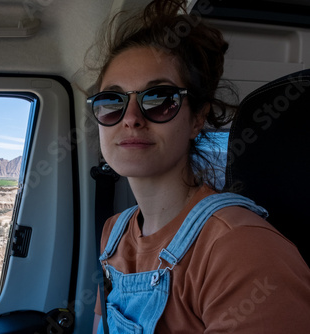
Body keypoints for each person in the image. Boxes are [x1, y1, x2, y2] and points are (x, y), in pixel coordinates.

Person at [86, 0, 310, 332]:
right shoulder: (114, 232)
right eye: (112, 102)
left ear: (197, 118)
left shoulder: (242, 250)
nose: (131, 119)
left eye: (160, 99)